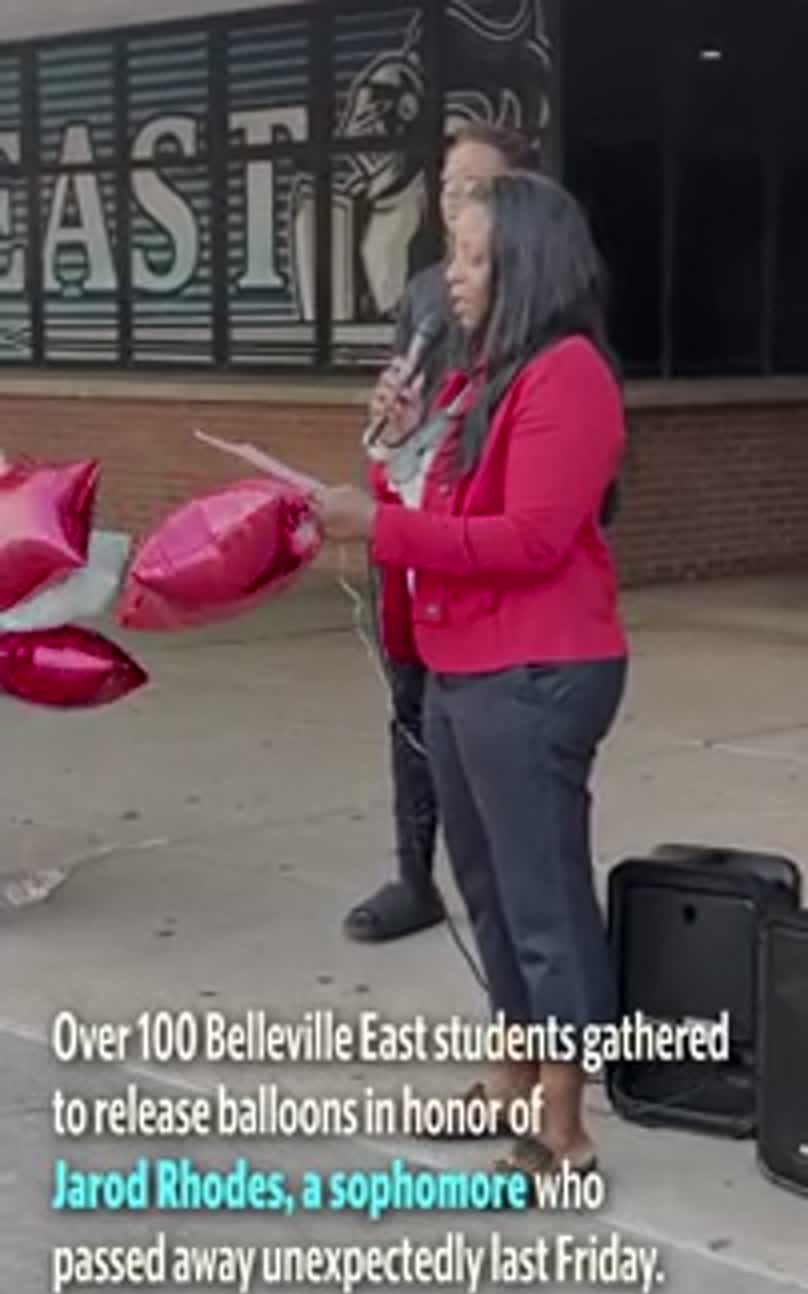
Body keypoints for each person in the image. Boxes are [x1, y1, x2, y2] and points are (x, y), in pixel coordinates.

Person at [313, 171, 628, 1185]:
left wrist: (382, 524)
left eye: (474, 257)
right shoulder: (470, 380)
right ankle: (508, 1073)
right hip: (461, 662)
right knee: (488, 890)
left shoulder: (566, 374)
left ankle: (564, 1126)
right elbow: (414, 503)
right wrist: (393, 438)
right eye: (452, 254)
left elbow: (528, 539)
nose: (451, 276)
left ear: (525, 265)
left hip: (535, 665)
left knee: (541, 899)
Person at [344, 121, 539, 947]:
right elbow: (409, 410)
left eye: (477, 188)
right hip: (414, 520)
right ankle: (414, 874)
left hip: (482, 536)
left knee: (491, 728)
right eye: (449, 185)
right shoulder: (427, 292)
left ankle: (511, 885)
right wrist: (388, 418)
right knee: (411, 708)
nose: (456, 200)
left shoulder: (536, 297)